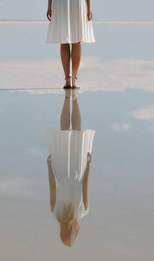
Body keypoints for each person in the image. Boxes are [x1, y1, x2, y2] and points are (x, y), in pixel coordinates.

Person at [46, 87, 94, 247]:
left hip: (77, 171)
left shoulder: (83, 211)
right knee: (64, 132)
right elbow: (52, 188)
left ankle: (75, 98)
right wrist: (49, 166)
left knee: (77, 132)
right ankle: (67, 97)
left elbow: (85, 185)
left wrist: (88, 165)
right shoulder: (55, 212)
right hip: (61, 172)